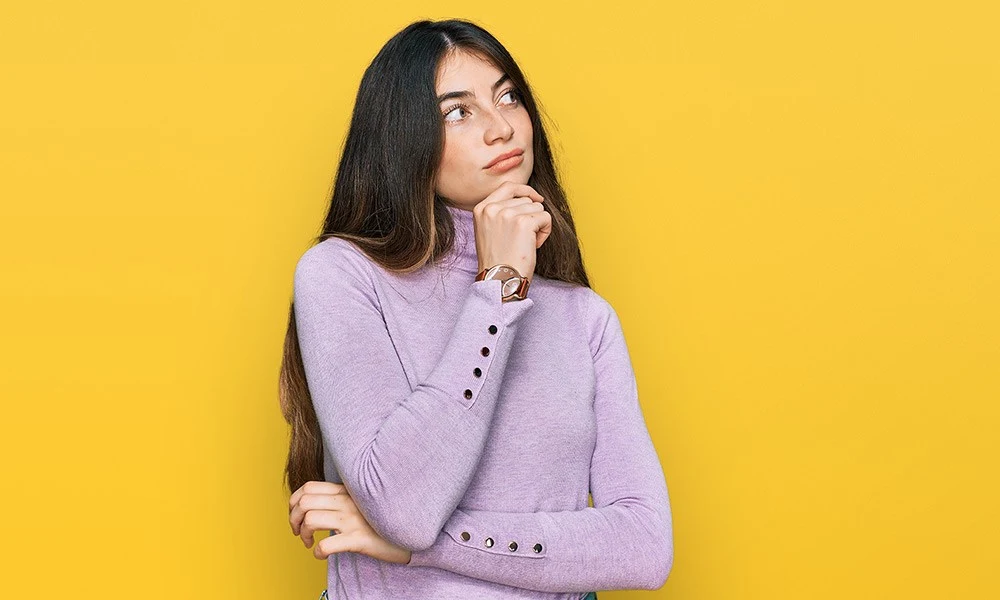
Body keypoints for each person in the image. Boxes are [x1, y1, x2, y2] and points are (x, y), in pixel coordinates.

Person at [278, 18, 673, 600]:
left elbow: (645, 548)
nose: (501, 127)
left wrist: (424, 548)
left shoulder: (584, 317)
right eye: (457, 111)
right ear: (402, 138)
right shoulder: (342, 277)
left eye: (508, 97)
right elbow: (405, 506)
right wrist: (500, 288)